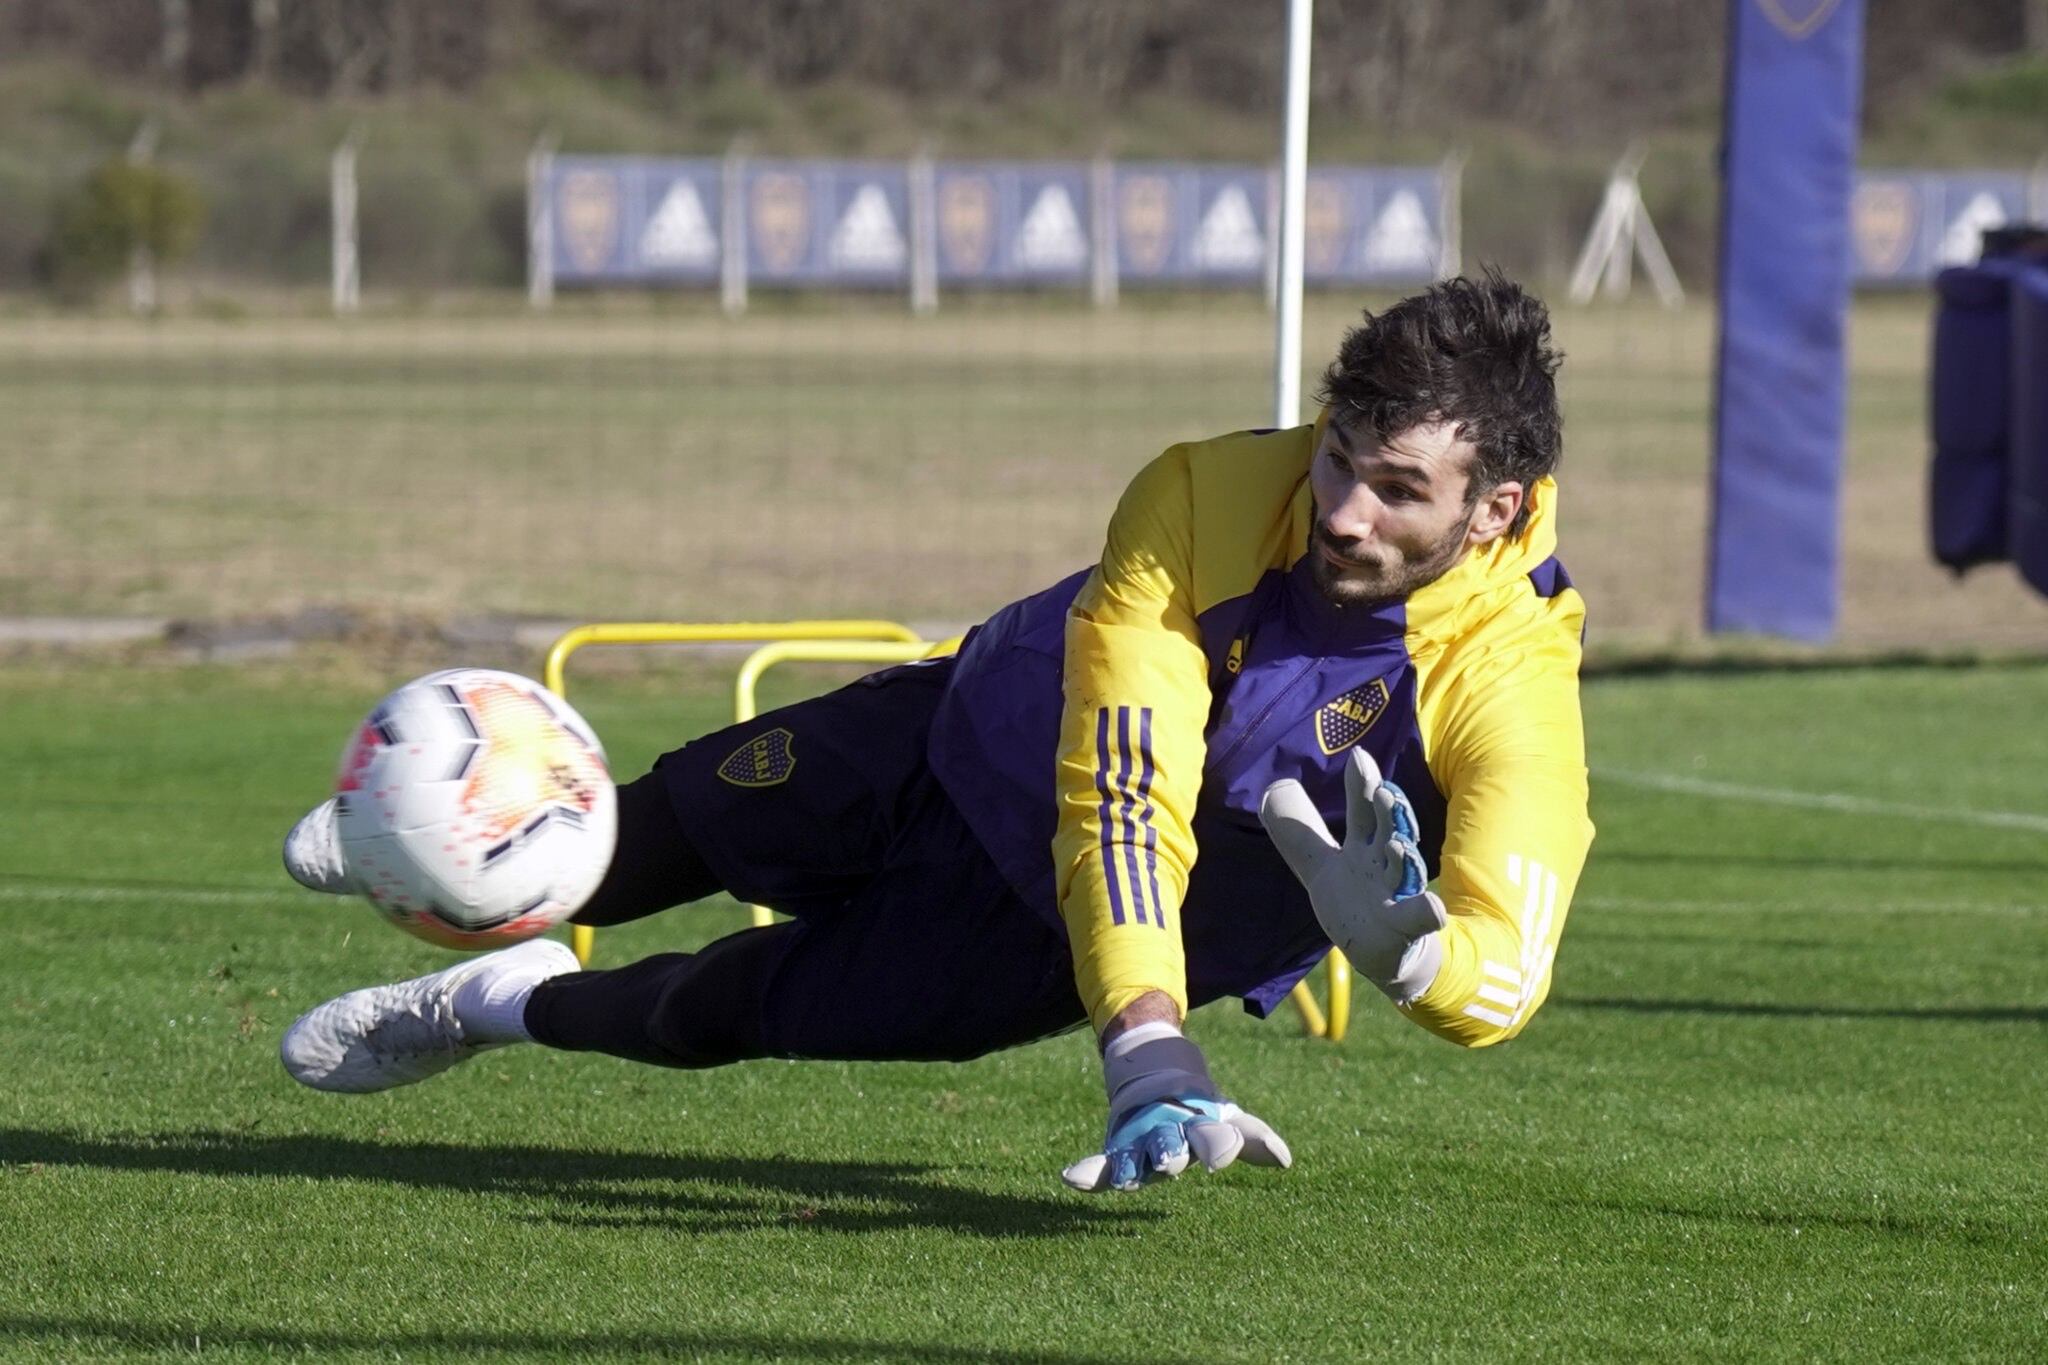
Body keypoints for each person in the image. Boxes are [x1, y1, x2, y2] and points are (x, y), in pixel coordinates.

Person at [279, 269, 1594, 1195]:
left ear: (1498, 509)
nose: (1345, 508)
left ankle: (491, 1005)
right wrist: (1150, 1043)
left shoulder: (1512, 683)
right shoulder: (1203, 489)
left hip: (1035, 937)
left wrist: (1412, 958)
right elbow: (1126, 793)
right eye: (1339, 454)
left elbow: (1510, 974)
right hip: (957, 731)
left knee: (717, 1010)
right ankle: (404, 830)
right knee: (641, 833)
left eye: (1399, 487)